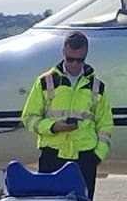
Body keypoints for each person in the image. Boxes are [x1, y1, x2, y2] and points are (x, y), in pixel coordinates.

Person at [21, 31, 112, 192]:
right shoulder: (45, 82)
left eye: (80, 60)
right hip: (52, 156)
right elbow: (28, 118)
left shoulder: (97, 86)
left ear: (86, 55)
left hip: (84, 158)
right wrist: (53, 127)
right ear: (63, 52)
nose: (75, 64)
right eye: (70, 59)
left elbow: (105, 124)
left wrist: (97, 155)